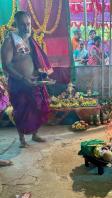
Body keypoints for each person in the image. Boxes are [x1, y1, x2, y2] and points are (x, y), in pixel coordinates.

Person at [1, 11, 53, 147]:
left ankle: (35, 134)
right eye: (23, 24)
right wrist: (22, 78)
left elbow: (35, 60)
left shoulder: (30, 39)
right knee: (21, 111)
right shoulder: (10, 41)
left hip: (34, 81)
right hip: (18, 83)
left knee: (37, 107)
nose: (26, 27)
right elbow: (6, 65)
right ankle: (22, 139)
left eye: (28, 24)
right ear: (16, 24)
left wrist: (42, 73)